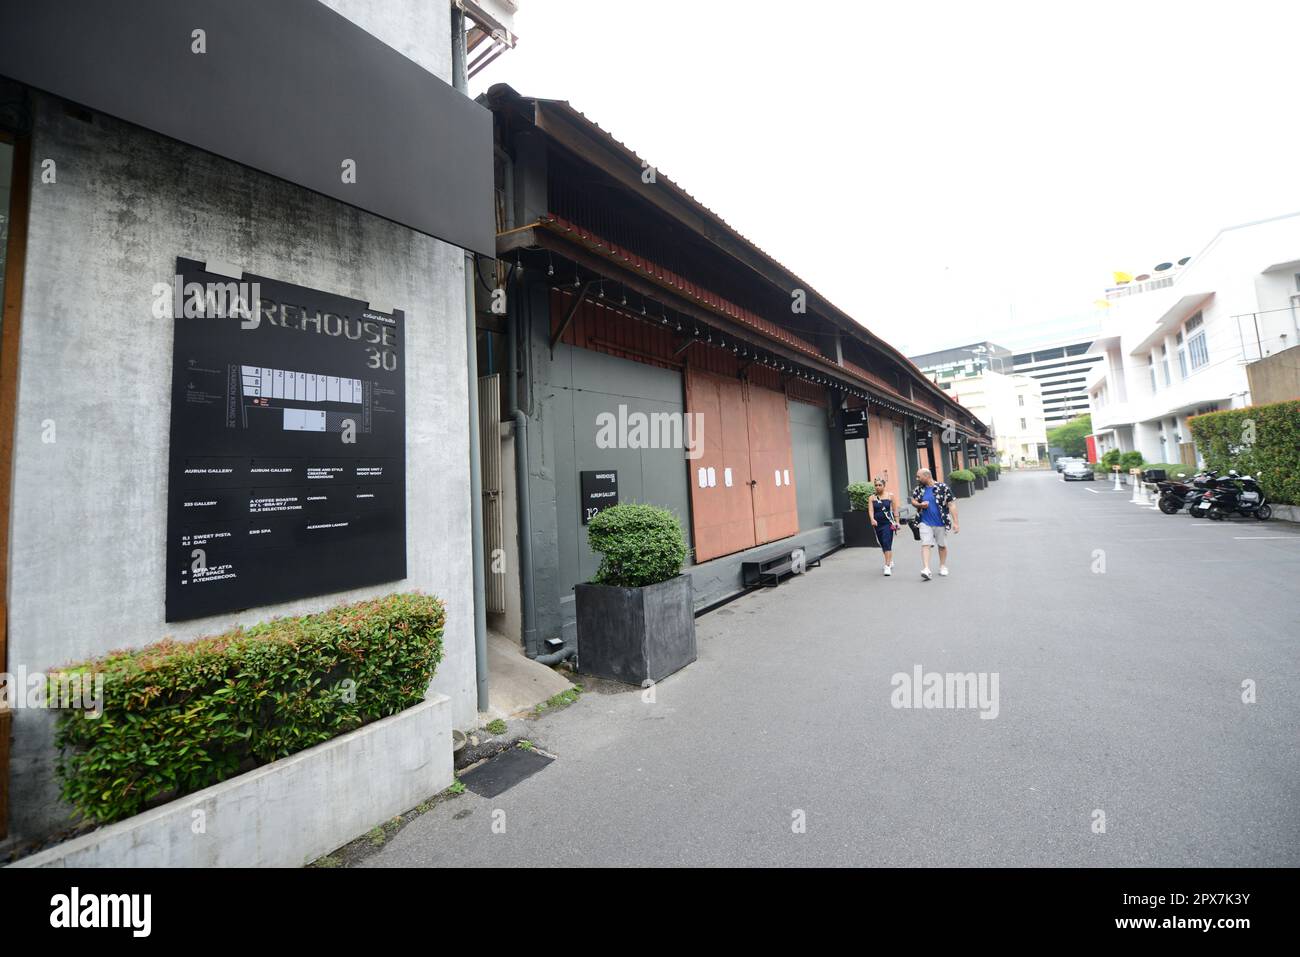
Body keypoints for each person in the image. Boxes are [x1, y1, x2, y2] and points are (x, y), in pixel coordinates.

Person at [910, 467, 959, 580]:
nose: (917, 478)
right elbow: (913, 500)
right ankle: (926, 569)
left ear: (927, 476)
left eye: (919, 476)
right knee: (925, 544)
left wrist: (956, 522)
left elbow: (951, 504)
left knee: (942, 545)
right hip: (924, 521)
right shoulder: (919, 489)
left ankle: (942, 566)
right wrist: (920, 505)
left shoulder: (943, 487)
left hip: (940, 522)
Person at [868, 477, 898, 576]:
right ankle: (890, 559)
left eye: (880, 485)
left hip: (888, 523)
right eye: (876, 485)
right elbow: (871, 510)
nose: (878, 487)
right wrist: (872, 519)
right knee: (882, 543)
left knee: (886, 542)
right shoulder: (872, 497)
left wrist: (897, 522)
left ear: (884, 486)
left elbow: (895, 510)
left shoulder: (890, 496)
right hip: (877, 524)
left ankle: (887, 566)